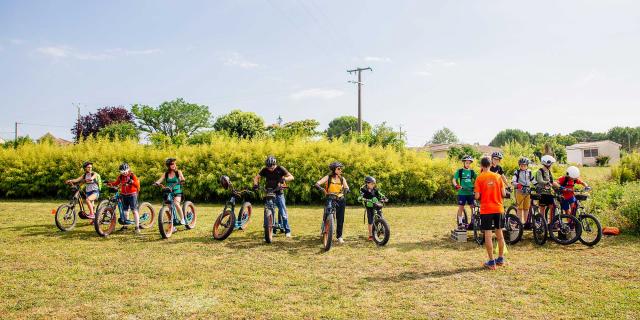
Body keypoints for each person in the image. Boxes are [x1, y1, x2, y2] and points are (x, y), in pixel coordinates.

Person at [474, 156, 507, 270]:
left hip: (486, 209)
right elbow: (503, 193)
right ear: (490, 164)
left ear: (482, 166)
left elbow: (477, 196)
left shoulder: (479, 178)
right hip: (498, 208)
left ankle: (491, 262)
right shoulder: (498, 177)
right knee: (500, 235)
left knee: (488, 235)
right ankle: (501, 259)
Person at [253, 155, 295, 237]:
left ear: (274, 164)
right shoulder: (265, 169)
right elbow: (256, 178)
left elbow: (291, 177)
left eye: (271, 167)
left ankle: (287, 231)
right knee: (270, 212)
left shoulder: (280, 168)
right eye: (268, 167)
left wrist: (284, 179)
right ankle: (272, 230)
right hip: (269, 192)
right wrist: (255, 184)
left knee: (283, 212)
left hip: (279, 192)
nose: (270, 169)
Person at [315, 161, 350, 244]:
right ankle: (325, 231)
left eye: (341, 168)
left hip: (340, 199)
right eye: (339, 168)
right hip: (330, 198)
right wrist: (321, 189)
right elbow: (317, 183)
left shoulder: (342, 178)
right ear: (334, 170)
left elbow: (347, 187)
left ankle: (339, 236)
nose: (341, 170)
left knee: (340, 218)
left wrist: (346, 190)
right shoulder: (328, 177)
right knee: (327, 214)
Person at [107, 162, 142, 234]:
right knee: (125, 211)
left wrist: (132, 181)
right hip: (124, 195)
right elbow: (115, 183)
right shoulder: (120, 177)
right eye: (123, 172)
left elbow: (137, 184)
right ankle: (125, 226)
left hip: (132, 195)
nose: (125, 173)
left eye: (126, 171)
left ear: (128, 169)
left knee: (134, 210)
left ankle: (137, 227)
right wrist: (108, 183)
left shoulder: (132, 175)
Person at [154, 158, 186, 226]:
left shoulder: (178, 172)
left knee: (176, 204)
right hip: (169, 191)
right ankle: (173, 223)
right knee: (169, 206)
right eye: (172, 164)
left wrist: (182, 180)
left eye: (174, 163)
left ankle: (183, 219)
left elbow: (182, 178)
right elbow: (160, 179)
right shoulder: (166, 173)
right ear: (168, 166)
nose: (174, 165)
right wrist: (157, 183)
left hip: (177, 191)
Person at [358, 176, 387, 241]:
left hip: (375, 203)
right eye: (372, 184)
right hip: (368, 204)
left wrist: (383, 197)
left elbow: (379, 193)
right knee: (370, 220)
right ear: (367, 183)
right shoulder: (363, 189)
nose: (373, 185)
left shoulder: (374, 188)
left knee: (380, 216)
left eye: (374, 183)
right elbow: (361, 196)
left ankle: (382, 229)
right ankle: (370, 235)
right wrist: (361, 198)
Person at [452, 155, 477, 230]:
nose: (468, 164)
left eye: (469, 163)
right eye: (466, 163)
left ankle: (473, 221)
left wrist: (475, 186)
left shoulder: (472, 172)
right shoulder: (459, 171)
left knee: (473, 207)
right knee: (461, 207)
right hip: (462, 192)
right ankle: (460, 222)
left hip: (470, 192)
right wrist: (456, 185)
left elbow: (478, 179)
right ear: (464, 163)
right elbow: (454, 180)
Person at [512, 157, 535, 228]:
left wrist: (537, 186)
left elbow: (533, 180)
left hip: (527, 191)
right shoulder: (517, 172)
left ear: (527, 165)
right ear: (519, 165)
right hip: (519, 191)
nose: (523, 167)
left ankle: (526, 222)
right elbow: (513, 181)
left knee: (526, 208)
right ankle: (519, 223)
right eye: (521, 165)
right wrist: (517, 185)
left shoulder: (529, 172)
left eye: (524, 165)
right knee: (520, 208)